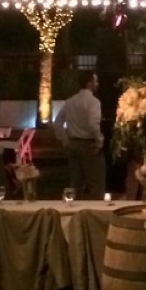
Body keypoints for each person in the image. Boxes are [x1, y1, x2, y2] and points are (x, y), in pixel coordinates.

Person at [53, 70, 105, 198]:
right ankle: (96, 208)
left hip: (73, 144)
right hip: (89, 145)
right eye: (95, 81)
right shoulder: (93, 102)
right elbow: (93, 124)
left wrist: (65, 140)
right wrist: (99, 140)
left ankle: (73, 207)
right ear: (89, 83)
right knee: (96, 184)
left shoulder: (70, 101)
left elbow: (57, 123)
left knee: (76, 183)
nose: (97, 84)